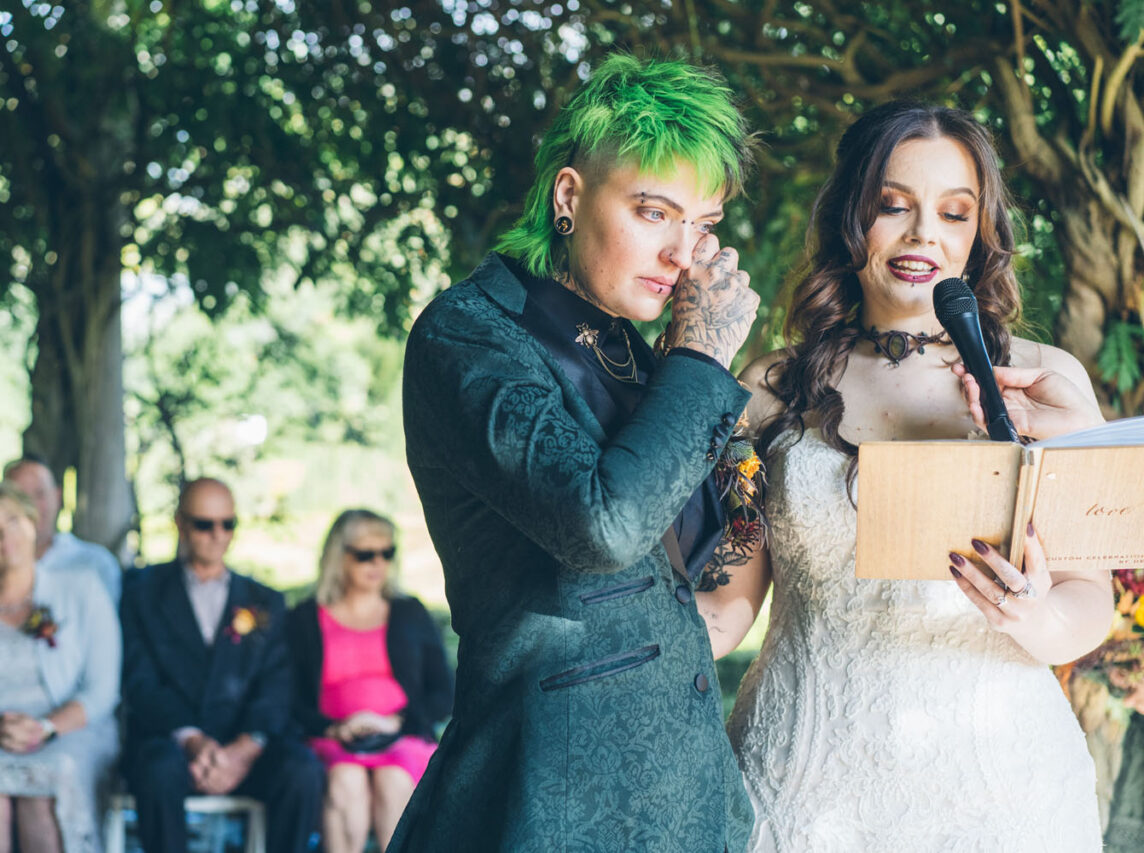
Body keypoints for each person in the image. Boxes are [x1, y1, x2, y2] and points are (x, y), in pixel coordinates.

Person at [717, 101, 1114, 850]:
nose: (924, 234)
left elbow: (1089, 599)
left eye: (954, 213)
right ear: (848, 217)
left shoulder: (1045, 380)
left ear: (980, 233)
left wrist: (1038, 618)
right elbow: (726, 605)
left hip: (1007, 796)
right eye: (893, 206)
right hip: (800, 789)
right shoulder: (768, 387)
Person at [392, 55, 761, 851]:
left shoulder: (639, 353)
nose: (683, 254)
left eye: (704, 226)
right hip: (546, 803)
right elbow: (605, 527)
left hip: (687, 803)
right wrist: (701, 356)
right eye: (654, 212)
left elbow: (689, 568)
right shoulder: (469, 334)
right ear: (569, 195)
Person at [120, 477, 323, 853]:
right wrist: (194, 741)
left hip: (243, 746)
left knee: (302, 768)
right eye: (204, 524)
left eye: (228, 524)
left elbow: (276, 685)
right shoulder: (140, 593)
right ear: (180, 523)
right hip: (172, 743)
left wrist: (242, 750)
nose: (218, 535)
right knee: (157, 768)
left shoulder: (265, 600)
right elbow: (141, 682)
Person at [0, 482, 120, 853]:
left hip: (68, 729)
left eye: (13, 521)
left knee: (46, 789)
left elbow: (102, 689)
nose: (6, 537)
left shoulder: (83, 589)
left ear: (32, 522)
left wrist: (46, 728)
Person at [287, 509, 453, 853]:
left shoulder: (410, 612)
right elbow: (288, 697)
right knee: (345, 781)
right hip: (332, 741)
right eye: (365, 554)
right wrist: (332, 728)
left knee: (393, 781)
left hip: (401, 739)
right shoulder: (304, 618)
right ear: (339, 556)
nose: (378, 563)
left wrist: (394, 722)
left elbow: (444, 693)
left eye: (387, 553)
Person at [0, 456, 121, 605]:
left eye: (40, 494)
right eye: (19, 497)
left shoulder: (95, 563)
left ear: (57, 496)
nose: (31, 505)